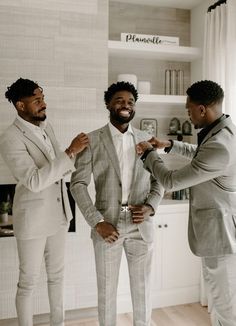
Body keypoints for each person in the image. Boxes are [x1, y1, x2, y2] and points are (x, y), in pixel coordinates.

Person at [136, 80, 236, 326]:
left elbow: (170, 181)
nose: (187, 114)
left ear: (202, 109)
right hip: (220, 231)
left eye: (188, 108)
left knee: (226, 306)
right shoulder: (222, 131)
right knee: (222, 300)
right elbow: (201, 154)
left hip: (221, 237)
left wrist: (149, 155)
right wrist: (170, 146)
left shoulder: (220, 145)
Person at [70, 81, 164, 326]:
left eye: (131, 102)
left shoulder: (146, 140)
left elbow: (160, 181)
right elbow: (77, 185)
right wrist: (97, 221)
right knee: (106, 291)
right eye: (120, 101)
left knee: (143, 291)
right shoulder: (91, 141)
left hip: (140, 225)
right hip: (107, 226)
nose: (126, 106)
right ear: (108, 104)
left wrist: (150, 207)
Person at [0, 78, 89, 326]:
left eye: (43, 98)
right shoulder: (10, 138)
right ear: (20, 105)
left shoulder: (46, 127)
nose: (43, 104)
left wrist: (73, 160)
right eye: (37, 100)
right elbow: (35, 181)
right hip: (33, 220)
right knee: (27, 282)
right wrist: (70, 152)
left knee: (57, 276)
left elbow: (56, 169)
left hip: (59, 214)